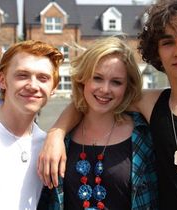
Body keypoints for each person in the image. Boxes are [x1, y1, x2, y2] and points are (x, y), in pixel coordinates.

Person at [38, 0, 177, 209]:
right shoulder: (151, 104)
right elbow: (91, 100)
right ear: (157, 52)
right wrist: (56, 134)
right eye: (168, 42)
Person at [37, 36, 158, 210]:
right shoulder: (62, 139)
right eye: (97, 78)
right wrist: (56, 132)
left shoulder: (144, 135)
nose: (105, 89)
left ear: (127, 87)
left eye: (116, 82)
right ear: (83, 78)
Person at [0, 40, 63, 210]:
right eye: (22, 75)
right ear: (3, 81)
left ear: (53, 87)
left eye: (43, 78)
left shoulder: (46, 146)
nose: (33, 86)